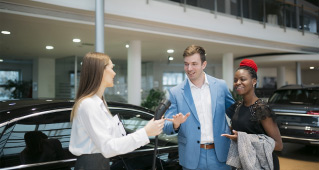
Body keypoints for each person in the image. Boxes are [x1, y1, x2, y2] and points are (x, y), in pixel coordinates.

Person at [69, 52, 164, 170]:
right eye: (111, 68)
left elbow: (113, 142)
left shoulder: (99, 102)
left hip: (100, 163)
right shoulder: (89, 104)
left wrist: (145, 132)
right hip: (92, 165)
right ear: (100, 71)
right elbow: (108, 147)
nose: (114, 73)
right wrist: (145, 132)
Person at [163, 45, 235, 170]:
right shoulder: (175, 92)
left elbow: (235, 114)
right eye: (186, 64)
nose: (189, 68)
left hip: (220, 155)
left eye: (194, 64)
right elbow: (166, 126)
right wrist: (176, 124)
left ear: (204, 64)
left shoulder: (220, 86)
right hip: (192, 158)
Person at [222, 59, 283, 170]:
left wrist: (243, 139)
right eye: (235, 80)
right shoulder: (237, 106)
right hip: (243, 163)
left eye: (243, 79)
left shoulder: (261, 109)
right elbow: (239, 128)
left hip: (262, 164)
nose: (238, 83)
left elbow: (278, 145)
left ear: (254, 81)